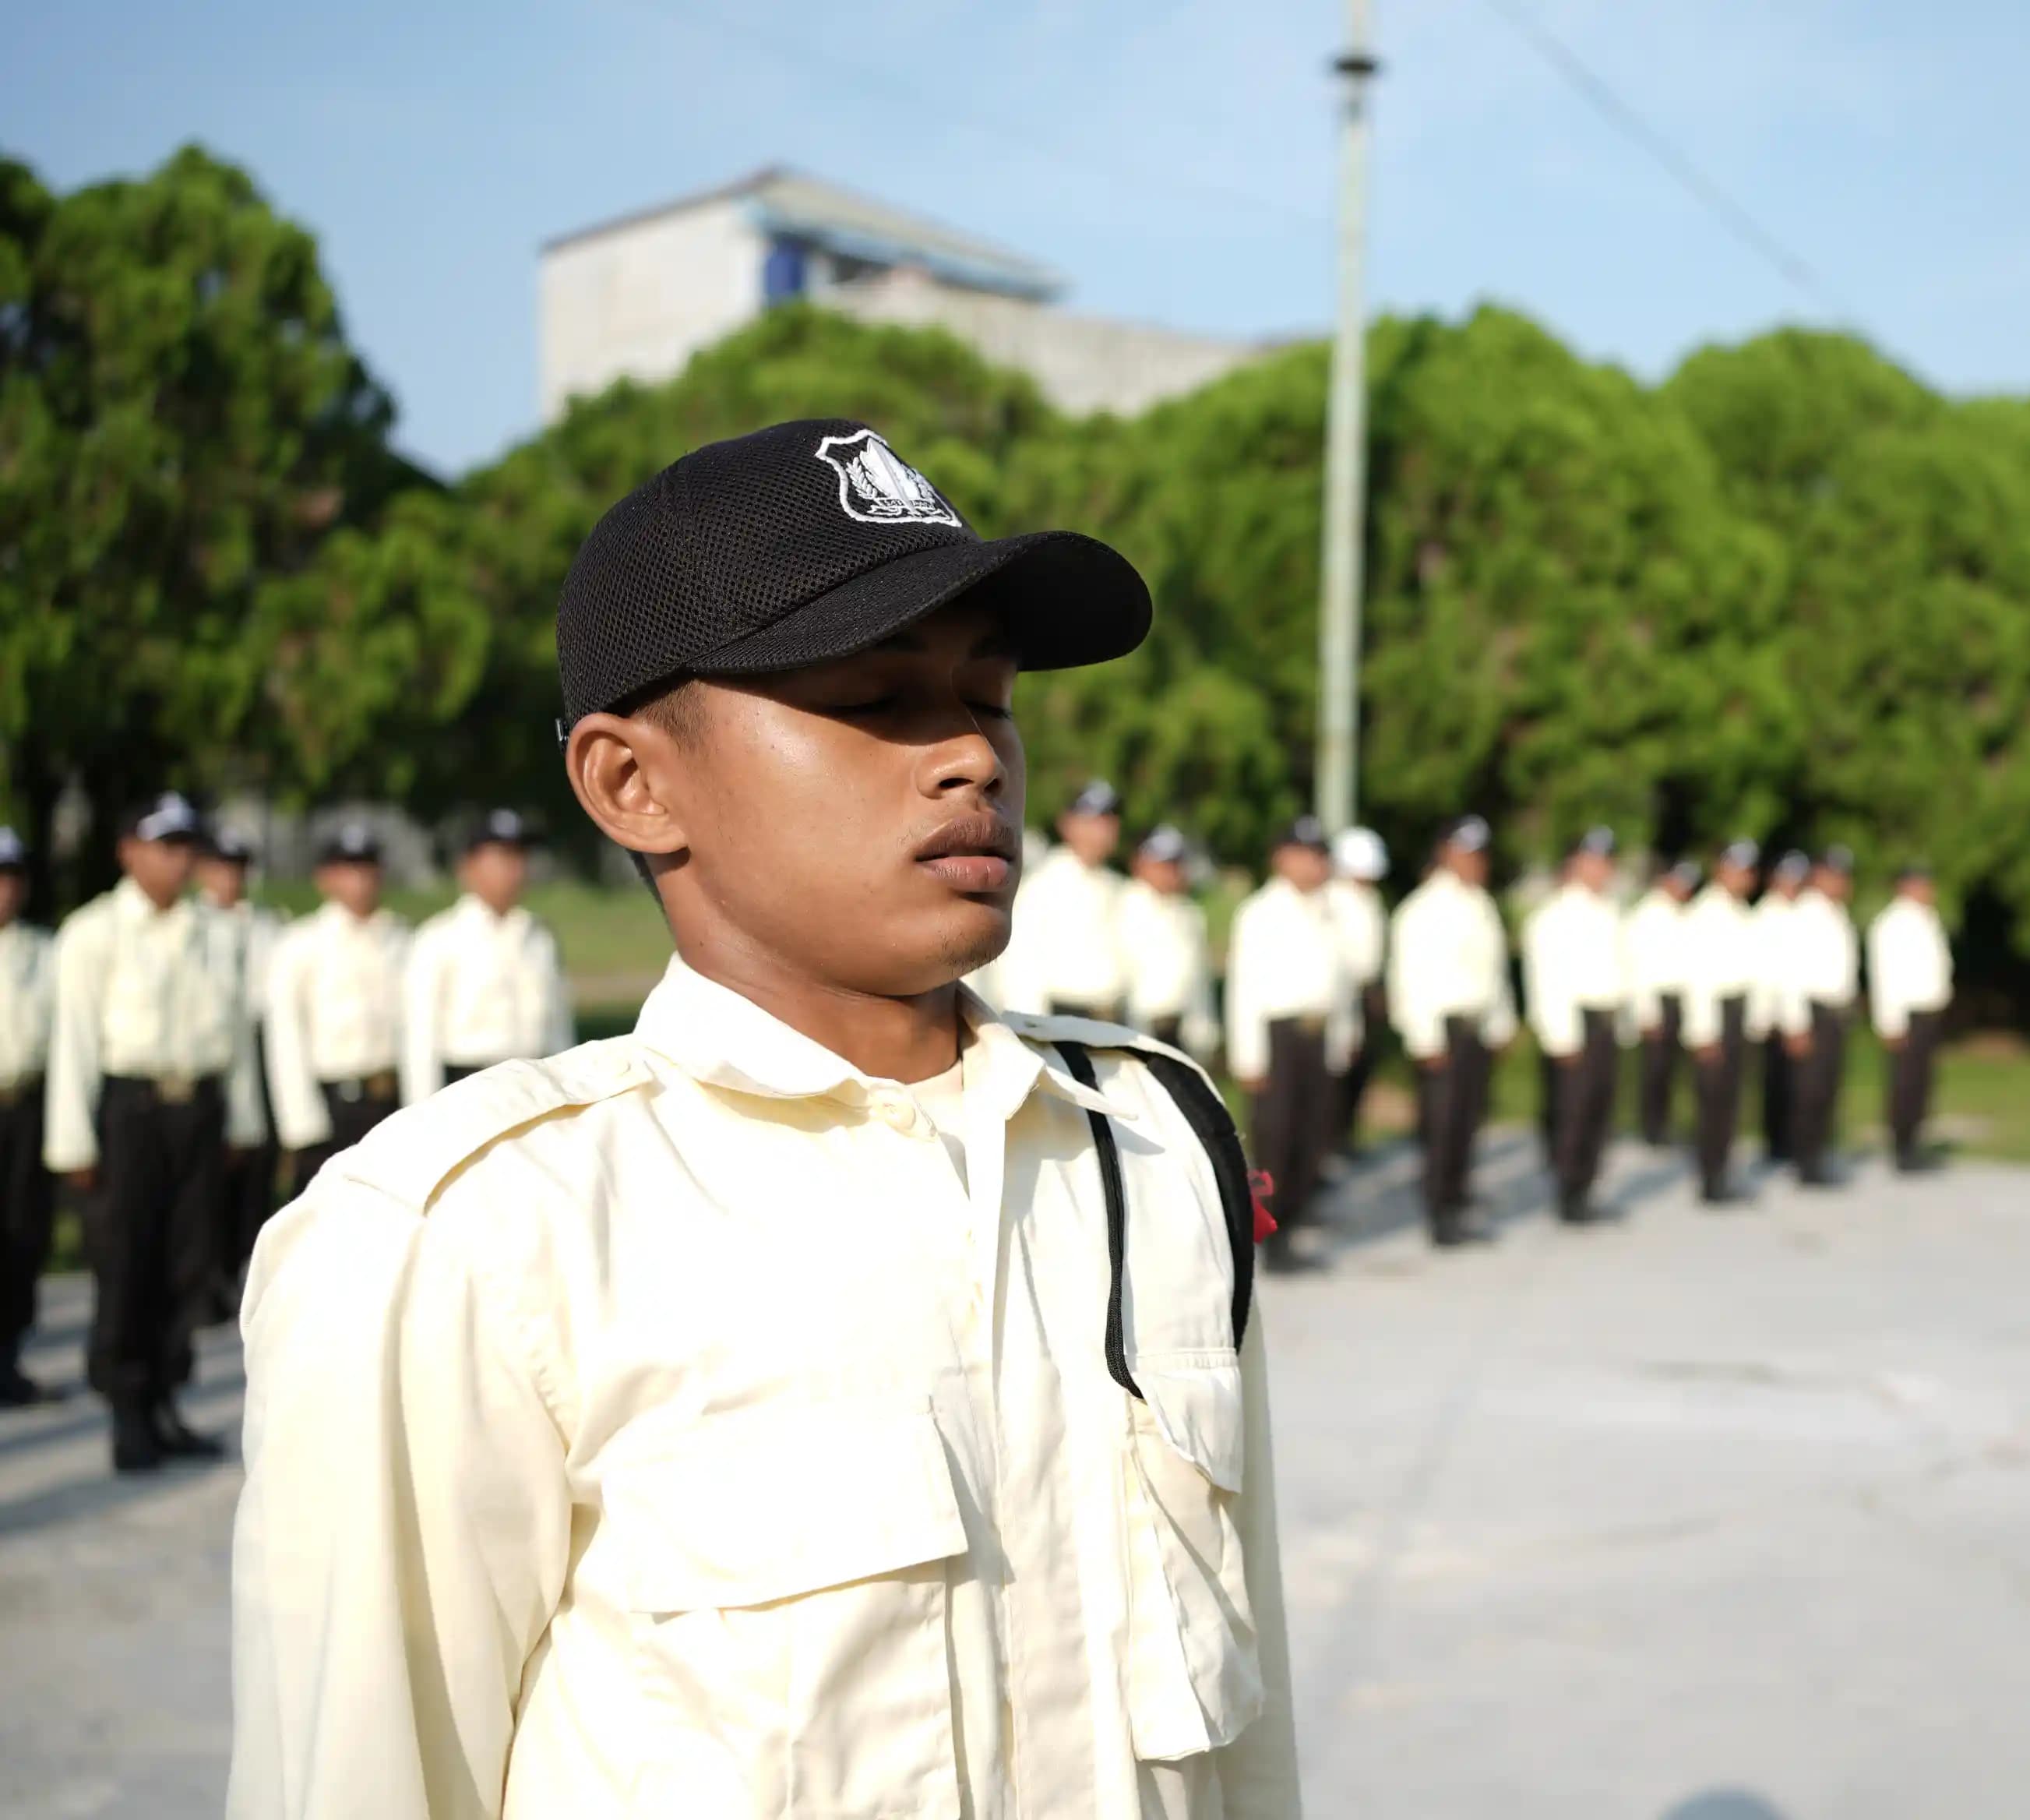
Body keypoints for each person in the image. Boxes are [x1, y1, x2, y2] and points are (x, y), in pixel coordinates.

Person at [230, 416, 1300, 1816]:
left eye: (989, 697)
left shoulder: (1147, 1144)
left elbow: (1248, 1733)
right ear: (633, 781)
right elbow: (360, 1783)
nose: (970, 757)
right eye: (874, 697)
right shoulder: (480, 1239)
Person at [44, 792, 263, 1471]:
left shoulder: (215, 930)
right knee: (127, 1263)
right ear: (128, 851)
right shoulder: (95, 931)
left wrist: (244, 1120)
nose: (176, 860)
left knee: (186, 1263)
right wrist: (73, 1141)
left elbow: (234, 1035)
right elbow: (74, 1041)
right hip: (129, 1113)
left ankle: (168, 1399)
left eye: (184, 847)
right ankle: (127, 1408)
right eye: (162, 846)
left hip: (196, 1109)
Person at [1226, 817, 1348, 1275]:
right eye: (1304, 853)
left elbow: (1341, 983)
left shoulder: (1329, 910)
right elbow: (1245, 988)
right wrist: (1249, 1056)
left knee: (1312, 1136)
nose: (1314, 863)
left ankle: (1294, 1224)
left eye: (1320, 854)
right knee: (1275, 1140)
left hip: (1318, 1033)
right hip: (1277, 1036)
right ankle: (1270, 1237)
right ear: (1281, 858)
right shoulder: (1261, 913)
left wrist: (1342, 1037)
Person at [1387, 816, 1515, 1246]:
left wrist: (1501, 1022)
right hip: (1441, 1032)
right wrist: (1423, 1037)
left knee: (1467, 1121)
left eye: (1480, 854)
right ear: (1445, 854)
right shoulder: (1422, 910)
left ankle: (1458, 1202)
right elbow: (1409, 979)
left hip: (1474, 1028)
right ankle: (1439, 1210)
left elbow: (1492, 974)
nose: (1477, 862)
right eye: (1466, 853)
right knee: (1441, 1126)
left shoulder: (1481, 904)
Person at [263, 820, 409, 1198]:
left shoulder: (401, 939)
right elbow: (286, 1037)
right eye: (347, 869)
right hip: (332, 1102)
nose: (359, 880)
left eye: (366, 868)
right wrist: (302, 1124)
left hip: (390, 1097)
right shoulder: (300, 944)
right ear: (324, 878)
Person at [401, 807, 575, 1102]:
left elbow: (558, 1028)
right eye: (503, 857)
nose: (516, 870)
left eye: (521, 857)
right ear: (469, 867)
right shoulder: (439, 938)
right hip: (470, 1088)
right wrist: (424, 1113)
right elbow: (420, 1041)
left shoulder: (538, 937)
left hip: (533, 1087)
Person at [1521, 827, 1630, 1223]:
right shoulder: (1556, 915)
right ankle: (1568, 1190)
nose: (1602, 869)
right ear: (1575, 864)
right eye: (1593, 860)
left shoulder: (1611, 910)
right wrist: (1562, 1035)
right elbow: (1549, 979)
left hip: (1605, 1021)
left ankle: (1586, 1185)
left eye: (1607, 861)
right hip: (1574, 1023)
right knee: (1572, 1110)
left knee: (1599, 1109)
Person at [195, 825, 283, 1302]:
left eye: (238, 869)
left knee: (257, 1165)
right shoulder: (195, 923)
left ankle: (243, 1264)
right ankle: (208, 1272)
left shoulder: (266, 922)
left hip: (262, 1041)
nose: (231, 878)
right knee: (212, 1165)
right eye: (221, 868)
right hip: (215, 1048)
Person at [1682, 841, 1767, 1205]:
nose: (1744, 878)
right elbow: (1697, 978)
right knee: (1713, 1100)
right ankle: (1710, 1176)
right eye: (1737, 869)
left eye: (1748, 871)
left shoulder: (1740, 912)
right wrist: (1704, 1031)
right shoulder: (1706, 913)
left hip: (1736, 1013)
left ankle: (1722, 1171)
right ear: (1721, 871)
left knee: (1730, 1101)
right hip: (1714, 1015)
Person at [1002, 778, 1130, 1019]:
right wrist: (1033, 1034)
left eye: (1110, 820)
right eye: (1094, 820)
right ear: (1068, 824)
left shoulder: (1118, 886)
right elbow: (1021, 967)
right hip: (1063, 1019)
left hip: (1114, 1018)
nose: (1104, 830)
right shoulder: (1042, 886)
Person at [0, 827, 52, 1406]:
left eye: (12, 879)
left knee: (22, 1231)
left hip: (23, 1104)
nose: (4, 891)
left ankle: (8, 1358)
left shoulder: (43, 951)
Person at [1870, 860, 1955, 1173]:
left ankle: (1916, 1141)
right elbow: (1886, 977)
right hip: (1906, 1015)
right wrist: (1890, 1022)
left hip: (1928, 1012)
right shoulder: (1892, 924)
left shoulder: (1927, 919)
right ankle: (1902, 1145)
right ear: (1905, 886)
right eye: (1921, 883)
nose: (1928, 889)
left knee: (1922, 1083)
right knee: (1904, 1084)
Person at [1792, 846, 1863, 1184]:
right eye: (1835, 875)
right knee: (1812, 1090)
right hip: (1813, 1011)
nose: (1841, 882)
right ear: (1819, 876)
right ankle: (1806, 1161)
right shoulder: (1806, 913)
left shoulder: (1837, 913)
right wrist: (1796, 1023)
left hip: (1836, 1012)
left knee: (1829, 1088)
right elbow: (1790, 975)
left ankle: (1819, 1154)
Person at [1119, 823, 1218, 1057]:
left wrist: (1204, 1031)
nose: (1170, 872)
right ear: (1139, 863)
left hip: (1180, 1031)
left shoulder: (1189, 914)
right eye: (1161, 864)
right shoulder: (1123, 906)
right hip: (1134, 1029)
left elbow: (1199, 980)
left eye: (1175, 864)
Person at [1324, 827, 1389, 1152]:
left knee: (1361, 1067)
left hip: (1366, 990)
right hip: (1339, 993)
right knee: (1337, 1068)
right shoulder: (1331, 900)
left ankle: (1346, 1135)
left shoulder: (1371, 901)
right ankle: (1329, 1138)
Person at [1625, 859, 1698, 1147]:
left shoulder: (1683, 914)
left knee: (1674, 1068)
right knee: (1655, 1069)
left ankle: (1664, 1123)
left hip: (1679, 998)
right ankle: (1652, 1126)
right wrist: (1645, 1011)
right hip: (1656, 999)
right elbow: (1638, 967)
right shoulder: (1647, 915)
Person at [1753, 851, 1813, 1172]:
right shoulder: (1768, 916)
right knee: (1777, 1084)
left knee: (1794, 1085)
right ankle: (1777, 1144)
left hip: (1794, 1012)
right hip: (1777, 1016)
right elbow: (1778, 977)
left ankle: (1788, 1142)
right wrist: (1792, 1023)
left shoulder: (1799, 914)